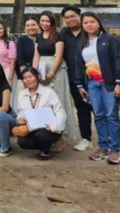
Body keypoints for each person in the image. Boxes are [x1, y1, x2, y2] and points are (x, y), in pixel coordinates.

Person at [74, 12, 120, 165]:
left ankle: (114, 149)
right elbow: (78, 64)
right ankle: (103, 147)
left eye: (92, 21)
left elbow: (118, 60)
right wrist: (79, 84)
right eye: (85, 23)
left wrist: (119, 82)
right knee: (99, 115)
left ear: (98, 23)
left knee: (112, 115)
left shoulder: (109, 40)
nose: (89, 25)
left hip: (109, 83)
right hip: (92, 84)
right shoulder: (82, 43)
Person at [33, 11, 77, 143]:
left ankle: (62, 137)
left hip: (56, 72)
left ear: (52, 22)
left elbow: (59, 56)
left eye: (47, 21)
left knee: (59, 102)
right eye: (42, 21)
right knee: (45, 103)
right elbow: (36, 55)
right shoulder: (39, 36)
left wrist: (51, 73)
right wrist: (34, 73)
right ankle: (48, 134)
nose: (44, 24)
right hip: (41, 70)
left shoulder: (58, 36)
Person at [59, 6, 93, 152]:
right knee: (82, 108)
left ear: (79, 16)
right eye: (67, 17)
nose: (70, 19)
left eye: (72, 16)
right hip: (74, 78)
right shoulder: (63, 34)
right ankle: (86, 138)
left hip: (94, 77)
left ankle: (109, 139)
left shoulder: (89, 31)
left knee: (100, 109)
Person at [16, 67, 67, 161]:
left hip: (48, 128)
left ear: (37, 77)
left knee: (42, 135)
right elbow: (20, 111)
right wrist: (21, 118)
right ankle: (43, 146)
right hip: (32, 128)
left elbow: (60, 111)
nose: (27, 79)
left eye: (30, 76)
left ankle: (46, 150)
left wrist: (54, 126)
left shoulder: (48, 92)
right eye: (25, 78)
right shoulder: (22, 94)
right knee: (22, 142)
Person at [12, 17, 40, 110]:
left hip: (43, 72)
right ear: (24, 28)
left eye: (33, 24)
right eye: (28, 25)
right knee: (30, 96)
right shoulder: (22, 40)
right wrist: (26, 75)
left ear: (38, 26)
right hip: (28, 72)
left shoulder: (43, 38)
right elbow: (20, 58)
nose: (31, 27)